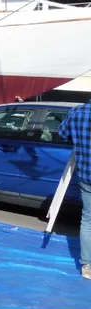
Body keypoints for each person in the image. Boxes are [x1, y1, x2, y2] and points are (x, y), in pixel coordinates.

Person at [58, 103, 91, 280]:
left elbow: (62, 134)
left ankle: (87, 266)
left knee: (88, 219)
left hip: (87, 174)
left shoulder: (77, 111)